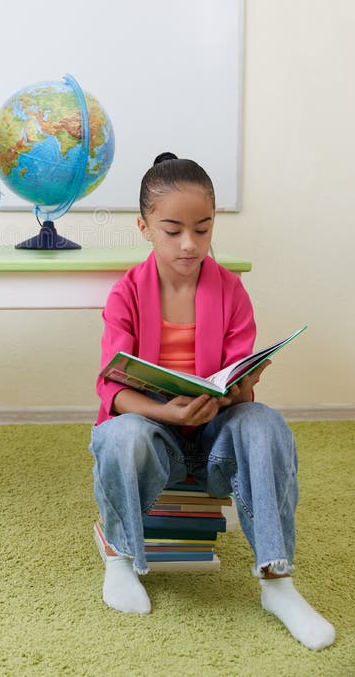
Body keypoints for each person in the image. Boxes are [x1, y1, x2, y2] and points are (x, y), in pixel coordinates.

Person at [89, 153, 335, 651]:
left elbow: (238, 385)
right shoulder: (127, 294)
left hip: (214, 433)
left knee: (263, 422)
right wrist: (169, 410)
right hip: (155, 433)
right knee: (122, 434)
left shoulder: (231, 290)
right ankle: (120, 557)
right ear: (143, 227)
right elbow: (111, 391)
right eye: (173, 230)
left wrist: (242, 385)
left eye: (202, 230)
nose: (189, 244)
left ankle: (277, 581)